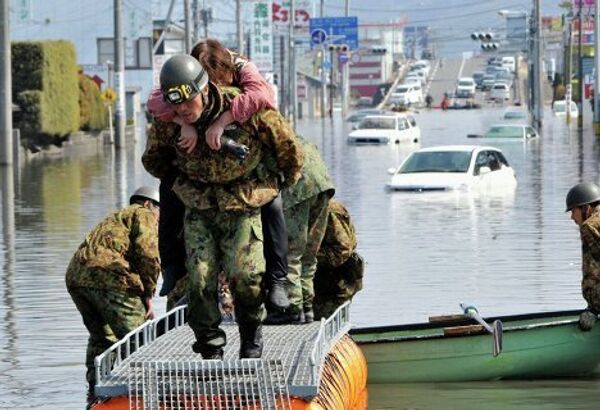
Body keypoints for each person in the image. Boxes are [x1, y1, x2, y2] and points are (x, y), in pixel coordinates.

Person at [142, 55, 303, 359]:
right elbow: (154, 160)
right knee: (200, 280)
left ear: (204, 90)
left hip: (242, 205)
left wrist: (275, 182)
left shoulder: (242, 107)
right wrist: (182, 162)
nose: (182, 111)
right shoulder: (170, 119)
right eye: (176, 106)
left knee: (245, 276)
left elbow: (287, 147)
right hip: (200, 208)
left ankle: (252, 336)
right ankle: (210, 346)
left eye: (188, 104)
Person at [65, 186, 160, 405]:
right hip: (110, 277)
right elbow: (148, 252)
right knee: (141, 337)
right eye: (160, 211)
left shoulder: (114, 219)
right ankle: (146, 395)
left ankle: (95, 394)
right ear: (148, 204)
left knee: (102, 337)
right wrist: (148, 293)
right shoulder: (143, 213)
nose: (160, 218)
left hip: (76, 278)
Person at [265, 137, 335, 324]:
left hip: (299, 188)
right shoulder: (289, 134)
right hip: (322, 184)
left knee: (290, 253)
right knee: (309, 255)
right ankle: (308, 309)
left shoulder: (260, 138)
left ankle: (292, 309)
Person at [313, 199, 364, 319]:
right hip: (316, 283)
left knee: (326, 326)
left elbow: (342, 251)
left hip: (334, 284)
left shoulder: (329, 209)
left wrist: (306, 258)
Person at [565, 182, 600, 331]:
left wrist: (595, 308)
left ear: (586, 208)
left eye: (573, 211)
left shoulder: (589, 227)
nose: (572, 217)